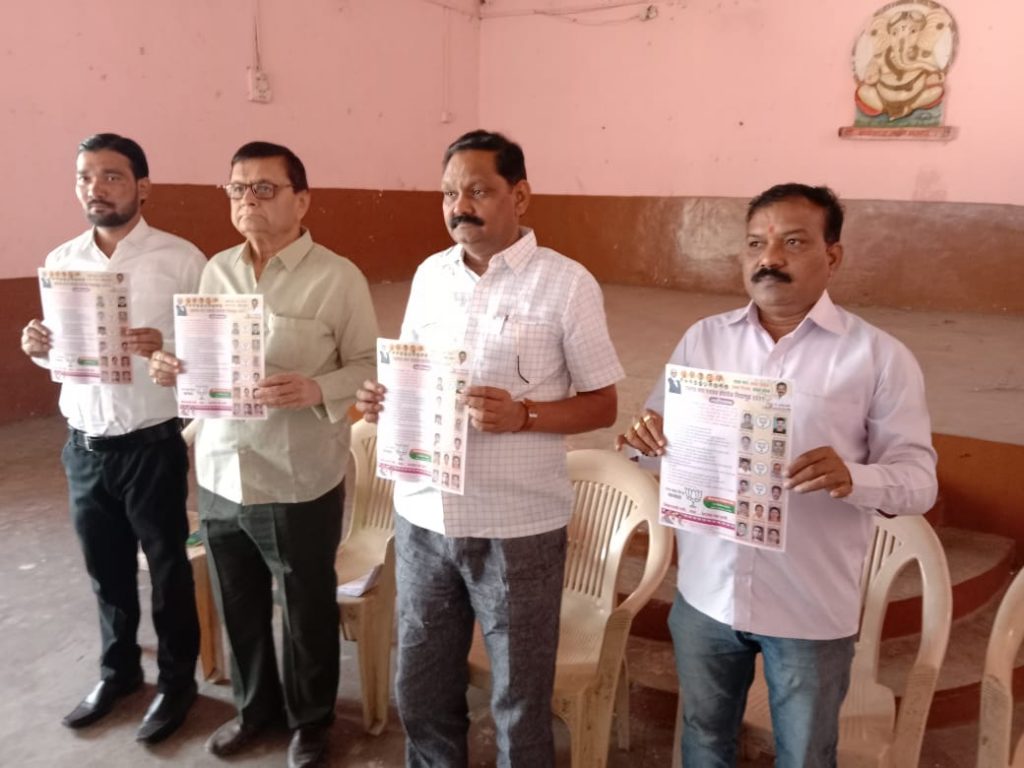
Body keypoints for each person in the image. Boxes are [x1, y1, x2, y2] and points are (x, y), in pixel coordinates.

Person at [617, 183, 937, 768]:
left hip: (808, 607)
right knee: (703, 740)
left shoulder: (878, 357)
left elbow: (920, 482)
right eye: (755, 244)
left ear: (832, 256)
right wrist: (645, 444)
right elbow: (663, 446)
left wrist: (853, 477)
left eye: (793, 242)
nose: (769, 258)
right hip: (707, 595)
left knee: (806, 754)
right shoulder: (703, 340)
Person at [355, 130, 622, 768]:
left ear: (519, 196)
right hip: (423, 516)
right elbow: (414, 372)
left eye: (478, 191)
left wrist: (525, 415)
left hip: (516, 527)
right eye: (449, 193)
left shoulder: (566, 284)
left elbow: (603, 404)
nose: (459, 206)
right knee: (422, 686)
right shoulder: (430, 275)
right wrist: (384, 398)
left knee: (519, 700)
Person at [149, 141, 378, 768]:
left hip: (298, 474)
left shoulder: (338, 277)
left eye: (264, 188)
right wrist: (172, 366)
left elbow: (367, 365)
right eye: (237, 189)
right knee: (239, 602)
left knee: (305, 607)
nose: (247, 199)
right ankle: (255, 711)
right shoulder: (215, 271)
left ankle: (311, 720)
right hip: (221, 469)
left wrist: (317, 388)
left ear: (302, 200)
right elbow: (199, 357)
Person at [20, 134, 205, 744]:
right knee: (106, 570)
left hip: (150, 443)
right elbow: (61, 356)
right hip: (84, 445)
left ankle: (177, 683)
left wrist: (167, 346)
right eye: (84, 177)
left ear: (142, 187)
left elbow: (209, 347)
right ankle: (119, 673)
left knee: (169, 569)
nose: (95, 188)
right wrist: (38, 348)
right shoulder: (61, 261)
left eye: (111, 176)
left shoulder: (182, 260)